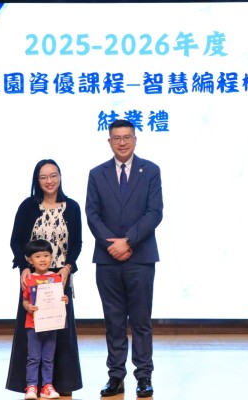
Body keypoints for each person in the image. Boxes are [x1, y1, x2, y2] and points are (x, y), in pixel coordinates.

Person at [85, 119, 163, 398]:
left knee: (141, 320)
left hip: (140, 258)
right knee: (114, 320)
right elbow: (92, 214)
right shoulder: (97, 174)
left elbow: (155, 212)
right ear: (109, 141)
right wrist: (113, 245)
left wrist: (128, 241)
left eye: (127, 137)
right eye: (116, 138)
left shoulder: (150, 170)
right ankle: (115, 376)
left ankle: (144, 377)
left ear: (135, 140)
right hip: (108, 260)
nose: (122, 142)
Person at [7, 159, 83, 396]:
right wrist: (24, 268)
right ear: (37, 180)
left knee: (60, 332)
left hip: (59, 277)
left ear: (60, 177)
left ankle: (60, 384)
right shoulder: (28, 206)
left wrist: (67, 268)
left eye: (53, 175)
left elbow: (77, 243)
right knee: (32, 331)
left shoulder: (72, 207)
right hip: (33, 279)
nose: (49, 181)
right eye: (43, 177)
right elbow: (15, 241)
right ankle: (30, 384)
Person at [22, 239, 69, 400]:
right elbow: (25, 301)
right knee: (34, 358)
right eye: (38, 256)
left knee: (48, 358)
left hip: (51, 325)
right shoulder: (29, 279)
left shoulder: (56, 278)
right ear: (30, 260)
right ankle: (31, 386)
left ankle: (47, 386)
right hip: (33, 325)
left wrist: (64, 300)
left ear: (52, 257)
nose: (43, 259)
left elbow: (60, 299)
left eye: (46, 255)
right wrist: (28, 307)